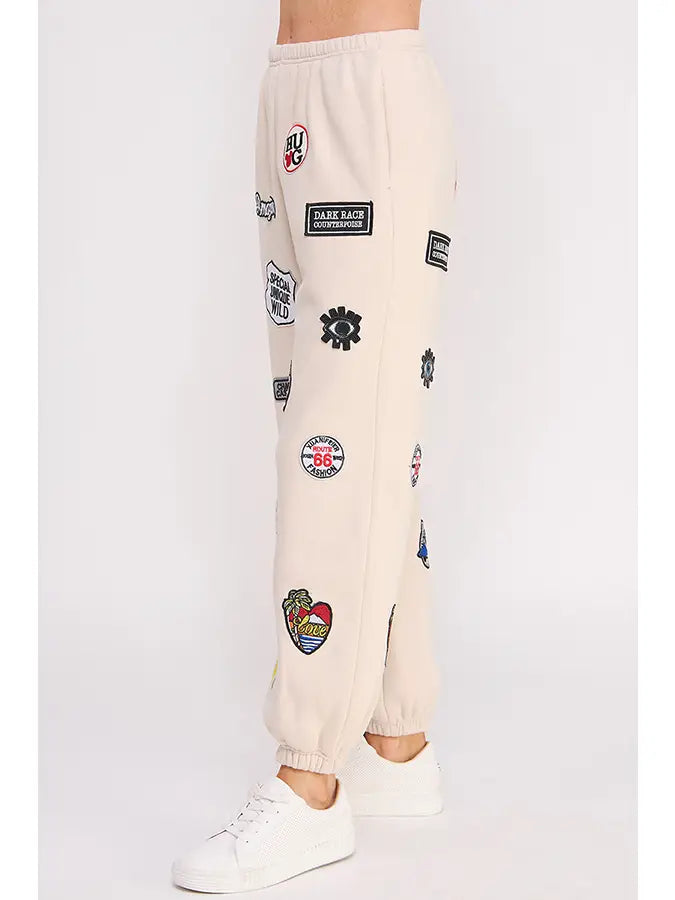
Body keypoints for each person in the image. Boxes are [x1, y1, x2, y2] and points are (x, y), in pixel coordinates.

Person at [173, 0, 455, 891]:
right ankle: (393, 739)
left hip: (369, 90)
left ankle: (312, 778)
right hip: (294, 84)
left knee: (338, 450)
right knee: (349, 438)